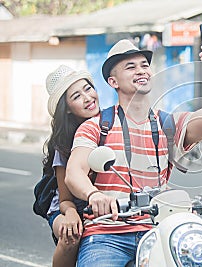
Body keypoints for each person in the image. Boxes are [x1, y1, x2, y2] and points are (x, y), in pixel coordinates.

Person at [65, 39, 202, 266]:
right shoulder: (95, 126)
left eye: (144, 65)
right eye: (131, 67)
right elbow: (74, 173)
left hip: (161, 229)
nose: (141, 70)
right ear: (113, 81)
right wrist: (95, 195)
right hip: (108, 234)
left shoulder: (168, 125)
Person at [43, 65, 100, 267]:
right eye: (76, 96)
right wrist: (72, 214)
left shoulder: (111, 125)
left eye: (88, 89)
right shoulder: (64, 143)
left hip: (99, 206)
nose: (87, 97)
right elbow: (65, 199)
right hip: (67, 208)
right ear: (66, 107)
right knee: (71, 235)